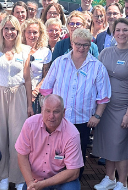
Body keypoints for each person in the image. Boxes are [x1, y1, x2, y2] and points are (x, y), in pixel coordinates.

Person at [40, 28, 110, 176]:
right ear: (72, 43)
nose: (81, 48)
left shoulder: (97, 67)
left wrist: (97, 116)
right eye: (78, 44)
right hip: (58, 119)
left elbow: (103, 96)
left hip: (82, 120)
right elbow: (46, 89)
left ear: (90, 45)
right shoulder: (59, 62)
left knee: (77, 157)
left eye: (85, 45)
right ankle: (52, 183)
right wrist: (47, 112)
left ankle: (73, 183)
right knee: (55, 153)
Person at [92, 18, 128, 190]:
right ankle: (109, 178)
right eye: (118, 30)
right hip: (105, 107)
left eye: (125, 30)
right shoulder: (105, 52)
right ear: (113, 33)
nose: (121, 33)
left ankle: (122, 184)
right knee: (108, 144)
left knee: (120, 147)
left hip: (123, 108)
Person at [15, 95, 83, 190]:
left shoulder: (72, 134)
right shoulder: (30, 124)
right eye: (48, 111)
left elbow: (74, 172)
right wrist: (30, 183)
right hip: (36, 178)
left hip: (62, 178)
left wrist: (43, 184)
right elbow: (22, 156)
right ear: (42, 110)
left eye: (56, 111)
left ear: (63, 112)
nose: (51, 116)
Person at [0, 15, 33, 190]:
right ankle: (2, 175)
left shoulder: (25, 51)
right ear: (1, 30)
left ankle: (18, 178)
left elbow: (27, 79)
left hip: (18, 95)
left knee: (17, 137)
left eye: (13, 29)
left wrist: (29, 104)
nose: (10, 32)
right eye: (6, 28)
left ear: (18, 31)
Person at [22, 18, 51, 114]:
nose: (32, 35)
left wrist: (34, 93)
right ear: (24, 33)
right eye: (29, 32)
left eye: (35, 32)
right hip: (20, 93)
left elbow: (46, 76)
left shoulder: (45, 52)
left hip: (37, 96)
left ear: (40, 34)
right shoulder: (18, 50)